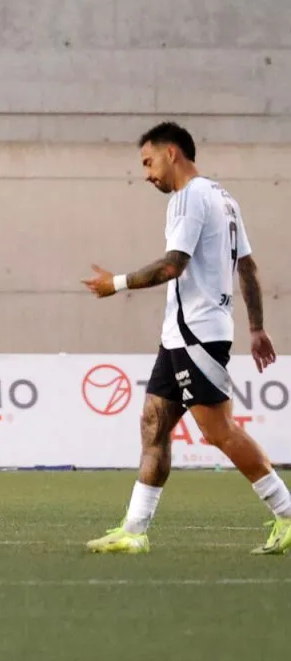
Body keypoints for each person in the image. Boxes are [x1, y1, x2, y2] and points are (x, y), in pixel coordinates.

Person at [82, 121, 290, 555]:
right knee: (153, 423)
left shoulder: (189, 197)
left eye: (148, 161)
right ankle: (135, 530)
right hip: (179, 335)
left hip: (196, 335)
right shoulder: (223, 198)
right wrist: (255, 327)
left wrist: (115, 283)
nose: (146, 173)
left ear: (171, 152)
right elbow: (247, 267)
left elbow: (172, 265)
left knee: (219, 431)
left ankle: (287, 514)